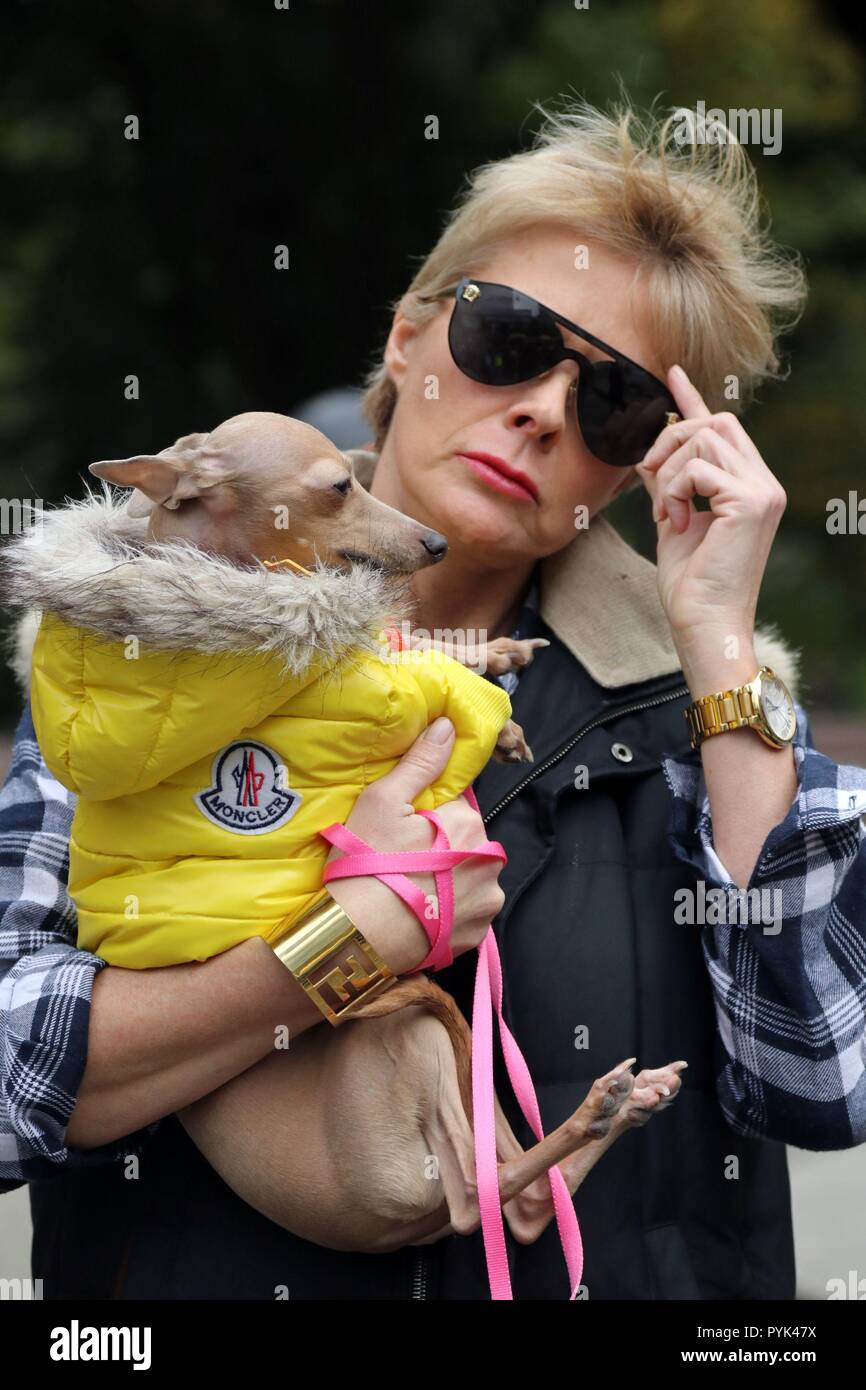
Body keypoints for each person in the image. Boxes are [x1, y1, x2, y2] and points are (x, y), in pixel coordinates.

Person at [2, 98, 865, 1301]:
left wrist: (719, 644)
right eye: (509, 337)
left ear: (644, 460)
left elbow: (821, 1080)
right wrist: (327, 955)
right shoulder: (140, 649)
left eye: (614, 402)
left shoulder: (705, 710)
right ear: (405, 337)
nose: (545, 411)